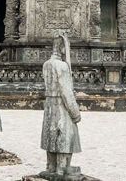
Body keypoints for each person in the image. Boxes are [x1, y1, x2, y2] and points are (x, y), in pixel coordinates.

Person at [40, 33, 82, 178]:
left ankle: (51, 166)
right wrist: (75, 113)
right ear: (62, 48)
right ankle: (62, 168)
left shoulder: (46, 65)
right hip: (61, 106)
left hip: (50, 105)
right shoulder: (62, 66)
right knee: (65, 134)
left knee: (50, 134)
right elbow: (66, 92)